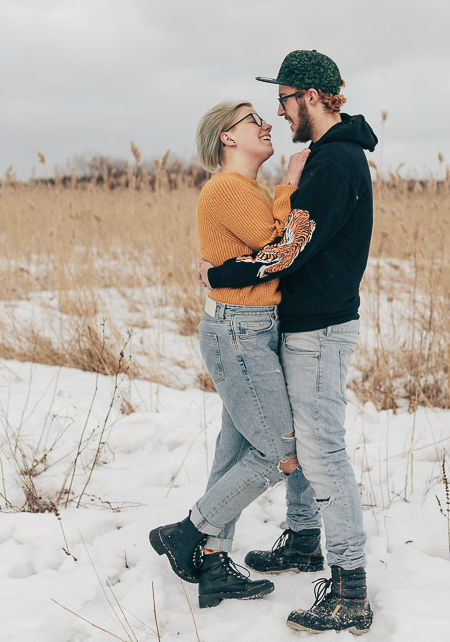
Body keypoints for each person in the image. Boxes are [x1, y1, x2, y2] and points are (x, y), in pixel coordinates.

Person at [197, 50, 378, 635]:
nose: (279, 113)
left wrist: (220, 274)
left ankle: (350, 589)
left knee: (320, 450)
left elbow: (288, 248)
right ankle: (303, 540)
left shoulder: (333, 164)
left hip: (319, 329)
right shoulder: (325, 159)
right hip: (299, 322)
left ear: (312, 97)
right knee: (299, 437)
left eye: (283, 100)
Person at [149, 100, 307, 609]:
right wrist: (290, 186)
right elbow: (282, 247)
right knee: (279, 453)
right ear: (227, 138)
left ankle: (215, 565)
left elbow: (260, 259)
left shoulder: (242, 190)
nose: (267, 124)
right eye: (252, 120)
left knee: (236, 450)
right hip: (240, 334)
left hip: (248, 330)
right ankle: (187, 531)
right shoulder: (227, 189)